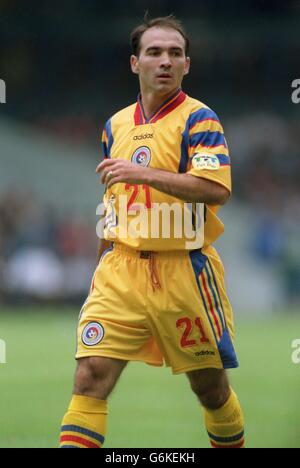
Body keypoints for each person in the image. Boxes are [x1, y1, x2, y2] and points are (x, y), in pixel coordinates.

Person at [60, 15, 245, 449]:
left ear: (187, 65)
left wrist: (142, 172)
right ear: (134, 63)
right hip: (120, 270)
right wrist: (103, 254)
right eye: (154, 52)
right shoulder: (115, 125)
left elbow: (214, 189)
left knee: (211, 389)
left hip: (183, 272)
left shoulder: (200, 119)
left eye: (175, 53)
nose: (165, 61)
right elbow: (115, 199)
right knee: (89, 377)